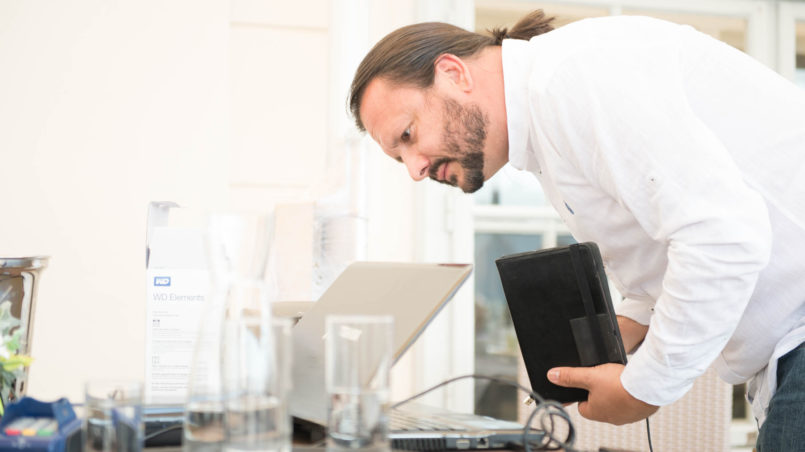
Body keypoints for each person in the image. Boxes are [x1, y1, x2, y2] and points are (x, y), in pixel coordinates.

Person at [347, 9, 805, 451]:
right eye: (399, 159)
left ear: (453, 73)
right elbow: (679, 238)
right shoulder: (552, 110)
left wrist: (644, 388)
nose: (415, 169)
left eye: (407, 135)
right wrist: (628, 323)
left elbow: (723, 236)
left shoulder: (572, 79)